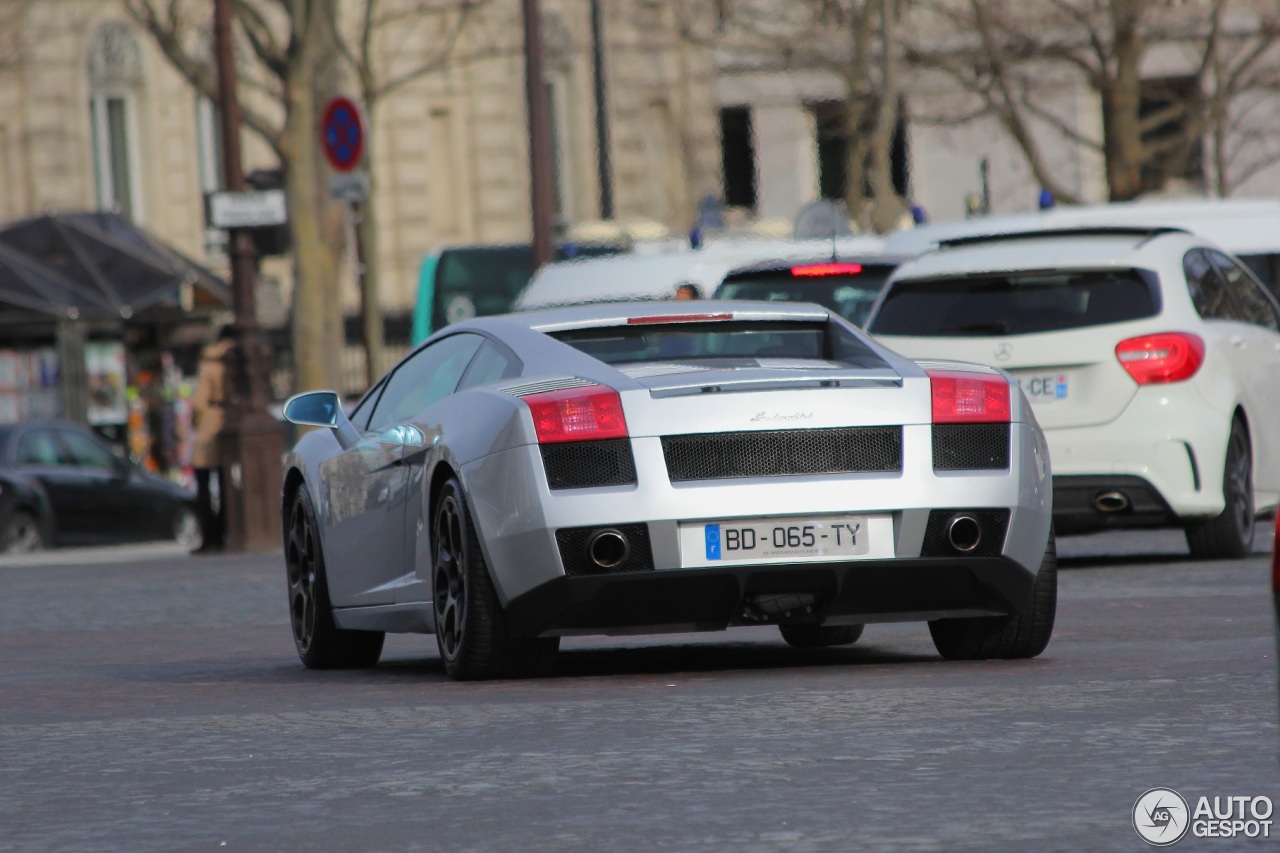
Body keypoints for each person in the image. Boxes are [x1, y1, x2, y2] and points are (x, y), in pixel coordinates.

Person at [190, 325, 234, 554]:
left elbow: (198, 403)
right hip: (231, 423)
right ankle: (228, 531)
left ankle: (210, 536)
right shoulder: (237, 362)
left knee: (204, 484)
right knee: (228, 485)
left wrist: (197, 422)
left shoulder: (209, 364)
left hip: (208, 426)